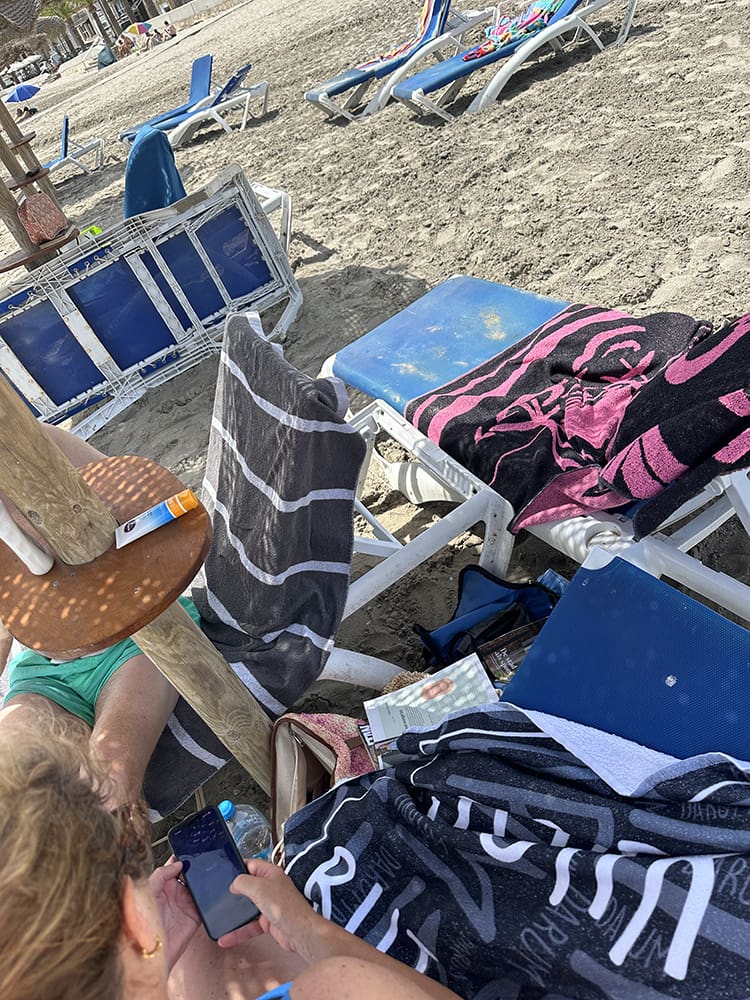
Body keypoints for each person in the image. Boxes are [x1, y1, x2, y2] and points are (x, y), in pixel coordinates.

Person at [0, 721, 460, 1000]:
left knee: (206, 945)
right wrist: (305, 927)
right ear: (131, 923)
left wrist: (152, 966)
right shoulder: (339, 985)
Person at [0, 424, 186, 808]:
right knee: (14, 797)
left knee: (109, 789)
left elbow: (145, 504)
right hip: (44, 671)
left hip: (139, 636)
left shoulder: (30, 444)